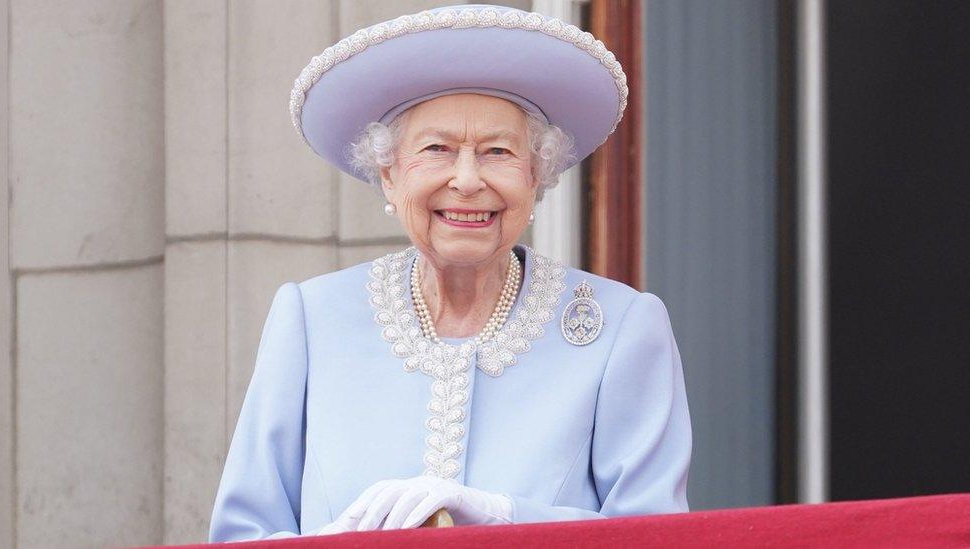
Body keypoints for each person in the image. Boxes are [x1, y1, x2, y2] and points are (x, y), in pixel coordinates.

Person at [209, 4, 692, 541]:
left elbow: (656, 535)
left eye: (498, 152)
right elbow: (240, 534)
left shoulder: (622, 327)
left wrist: (502, 517)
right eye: (437, 149)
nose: (466, 180)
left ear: (537, 176)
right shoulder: (311, 318)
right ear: (389, 176)